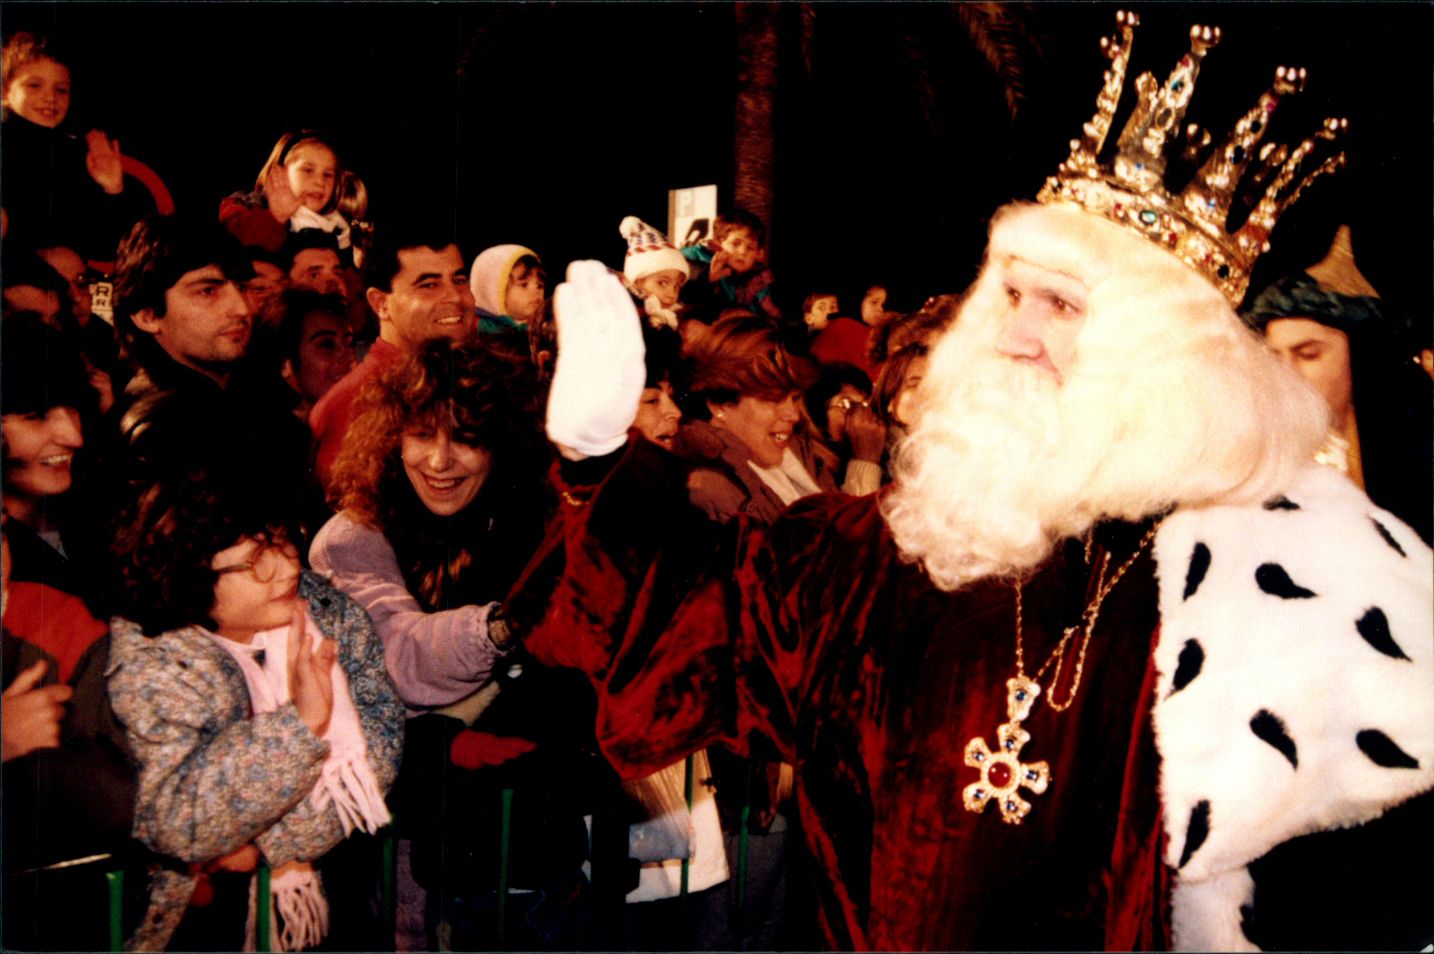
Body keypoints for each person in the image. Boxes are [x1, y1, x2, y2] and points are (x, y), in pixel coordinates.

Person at [514, 18, 1433, 950]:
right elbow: (704, 621)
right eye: (1010, 295)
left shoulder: (1287, 576)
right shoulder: (900, 546)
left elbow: (1354, 901)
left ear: (1164, 353)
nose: (1012, 333)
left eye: (1061, 305)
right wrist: (601, 463)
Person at [312, 340, 615, 949]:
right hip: (409, 868)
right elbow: (402, 659)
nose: (441, 460)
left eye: (467, 438)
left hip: (544, 861)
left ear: (501, 444)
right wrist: (508, 628)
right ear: (393, 437)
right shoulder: (353, 538)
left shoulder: (533, 520)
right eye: (422, 434)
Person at [105, 472, 404, 951]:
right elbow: (181, 818)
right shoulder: (158, 662)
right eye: (256, 562)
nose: (287, 569)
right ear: (189, 574)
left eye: (284, 542)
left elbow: (379, 751)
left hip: (337, 883)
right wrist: (301, 723)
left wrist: (264, 844)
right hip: (197, 921)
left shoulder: (329, 615)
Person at [1244, 224, 1432, 542]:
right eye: (1276, 358)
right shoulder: (1255, 456)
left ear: (1356, 356)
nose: (1288, 373)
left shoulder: (1413, 439)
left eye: (1309, 354)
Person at [308, 219, 476, 488]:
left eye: (459, 280)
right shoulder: (351, 404)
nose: (455, 297)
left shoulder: (476, 382)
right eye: (429, 285)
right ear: (380, 303)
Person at [674, 313, 837, 524]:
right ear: (719, 405)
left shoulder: (799, 450)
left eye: (794, 397)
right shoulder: (709, 489)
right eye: (772, 399)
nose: (793, 415)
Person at [0, 31, 145, 260]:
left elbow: (109, 249)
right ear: (4, 93)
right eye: (34, 86)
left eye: (61, 90)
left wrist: (112, 188)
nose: (51, 97)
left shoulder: (74, 154)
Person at [220, 130, 351, 254]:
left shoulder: (336, 226)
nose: (319, 182)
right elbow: (237, 246)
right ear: (281, 172)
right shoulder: (245, 205)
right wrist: (276, 216)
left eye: (328, 175)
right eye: (308, 170)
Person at [679, 208, 781, 322]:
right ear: (718, 242)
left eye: (750, 248)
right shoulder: (694, 257)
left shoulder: (760, 279)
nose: (742, 252)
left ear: (758, 253)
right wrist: (706, 276)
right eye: (735, 244)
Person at [618, 216, 689, 330]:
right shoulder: (624, 319)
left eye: (677, 286)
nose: (672, 295)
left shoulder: (677, 319)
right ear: (637, 282)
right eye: (662, 283)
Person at [469, 242, 547, 336]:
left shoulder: (545, 327)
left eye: (539, 286)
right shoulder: (479, 333)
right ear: (492, 293)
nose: (535, 292)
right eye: (524, 285)